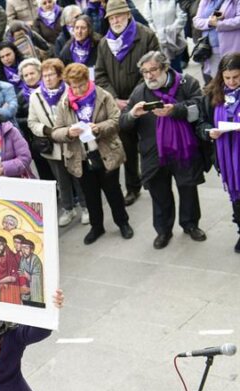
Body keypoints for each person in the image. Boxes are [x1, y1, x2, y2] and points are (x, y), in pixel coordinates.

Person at [121, 51, 206, 249]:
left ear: (165, 67)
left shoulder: (187, 83)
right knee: (159, 195)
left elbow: (199, 110)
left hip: (184, 150)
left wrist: (175, 110)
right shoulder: (140, 92)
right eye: (145, 72)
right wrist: (132, 114)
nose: (149, 76)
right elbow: (123, 123)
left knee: (188, 189)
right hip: (154, 154)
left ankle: (190, 224)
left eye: (153, 70)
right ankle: (163, 231)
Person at [52, 62, 134, 244]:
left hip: (105, 152)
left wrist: (98, 128)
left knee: (113, 191)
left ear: (87, 80)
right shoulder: (64, 103)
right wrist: (68, 132)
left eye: (82, 85)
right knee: (90, 194)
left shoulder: (103, 96)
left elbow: (116, 120)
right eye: (74, 86)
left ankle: (123, 223)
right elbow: (56, 131)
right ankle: (97, 227)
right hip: (80, 156)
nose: (79, 90)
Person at [95, 0, 161, 206]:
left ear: (128, 15)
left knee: (151, 143)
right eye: (111, 17)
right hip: (120, 107)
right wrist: (114, 99)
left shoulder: (146, 36)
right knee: (128, 148)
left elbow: (155, 69)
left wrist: (134, 99)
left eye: (118, 16)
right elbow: (100, 75)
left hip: (146, 101)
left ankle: (156, 180)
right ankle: (133, 187)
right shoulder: (105, 43)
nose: (115, 20)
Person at [28, 59, 87, 226]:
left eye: (51, 74)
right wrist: (47, 131)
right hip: (52, 144)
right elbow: (32, 122)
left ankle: (85, 206)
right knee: (61, 179)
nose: (47, 79)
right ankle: (68, 209)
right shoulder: (35, 96)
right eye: (44, 75)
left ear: (60, 76)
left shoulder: (70, 90)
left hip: (72, 140)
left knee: (78, 175)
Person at [197, 53, 240, 252]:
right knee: (237, 198)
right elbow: (201, 124)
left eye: (236, 77)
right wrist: (208, 132)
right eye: (227, 77)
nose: (231, 82)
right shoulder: (211, 95)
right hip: (228, 160)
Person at [193, 0, 240, 82]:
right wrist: (209, 22)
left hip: (231, 47)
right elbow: (196, 20)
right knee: (217, 79)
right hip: (211, 48)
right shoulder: (205, 1)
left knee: (233, 79)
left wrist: (219, 24)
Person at [146, 0, 188, 72]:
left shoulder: (176, 1)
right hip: (158, 42)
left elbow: (182, 18)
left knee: (176, 70)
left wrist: (169, 32)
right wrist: (157, 33)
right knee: (162, 70)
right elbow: (149, 20)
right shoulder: (150, 2)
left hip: (173, 41)